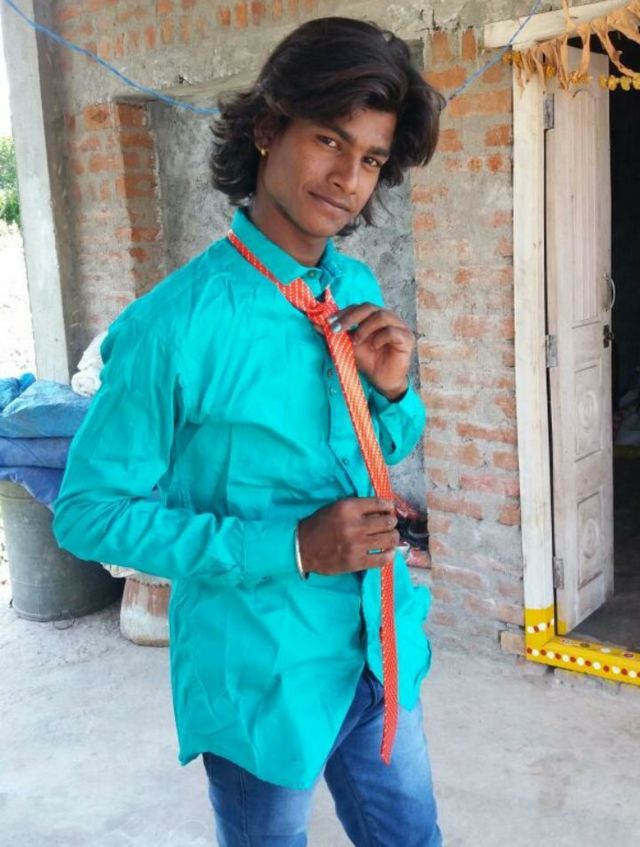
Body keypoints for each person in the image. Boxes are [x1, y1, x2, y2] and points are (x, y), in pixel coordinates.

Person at [52, 16, 445, 847]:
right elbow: (87, 512)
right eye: (329, 139)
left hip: (378, 648)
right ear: (268, 129)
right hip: (261, 673)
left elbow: (378, 452)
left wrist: (393, 392)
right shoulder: (173, 327)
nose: (348, 179)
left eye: (371, 159)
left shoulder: (354, 286)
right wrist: (292, 546)